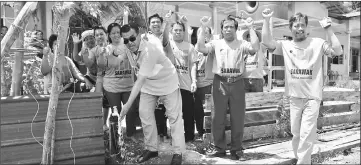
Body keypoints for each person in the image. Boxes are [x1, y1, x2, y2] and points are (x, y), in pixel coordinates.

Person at [261, 9, 343, 164]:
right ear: (290, 28)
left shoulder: (317, 43)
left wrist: (328, 29)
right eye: (296, 25)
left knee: (306, 133)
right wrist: (266, 19)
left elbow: (338, 50)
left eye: (302, 25)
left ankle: (302, 162)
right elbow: (267, 41)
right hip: (294, 97)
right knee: (296, 133)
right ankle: (302, 159)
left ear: (307, 28)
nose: (299, 28)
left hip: (312, 97)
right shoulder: (285, 45)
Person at [119, 23, 185, 165]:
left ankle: (178, 153)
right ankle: (152, 148)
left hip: (168, 82)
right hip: (149, 84)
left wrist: (126, 106)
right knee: (144, 113)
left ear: (139, 35)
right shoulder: (128, 48)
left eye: (132, 38)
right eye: (125, 40)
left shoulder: (150, 50)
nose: (129, 43)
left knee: (174, 118)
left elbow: (139, 81)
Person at [196, 15, 259, 161]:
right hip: (220, 83)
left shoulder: (242, 43)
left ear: (236, 29)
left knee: (238, 118)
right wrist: (204, 27)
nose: (228, 29)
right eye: (225, 27)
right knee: (217, 117)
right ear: (222, 30)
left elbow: (255, 47)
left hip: (237, 83)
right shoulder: (216, 43)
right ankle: (219, 148)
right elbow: (200, 47)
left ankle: (236, 149)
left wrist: (250, 27)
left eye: (231, 26)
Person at [97, 23, 138, 141]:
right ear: (109, 35)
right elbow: (102, 65)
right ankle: (115, 136)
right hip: (112, 86)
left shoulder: (127, 44)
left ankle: (130, 134)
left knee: (130, 111)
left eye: (118, 32)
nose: (116, 35)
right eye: (113, 33)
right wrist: (102, 54)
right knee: (116, 112)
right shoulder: (107, 48)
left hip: (128, 85)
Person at [169, 21, 197, 142]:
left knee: (188, 113)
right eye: (176, 30)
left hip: (185, 86)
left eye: (180, 30)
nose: (178, 32)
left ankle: (190, 136)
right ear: (172, 32)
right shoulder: (167, 45)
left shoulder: (189, 47)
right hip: (170, 87)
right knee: (173, 114)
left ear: (184, 32)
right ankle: (175, 136)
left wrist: (194, 81)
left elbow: (193, 66)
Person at [83, 26, 111, 130]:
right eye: (97, 35)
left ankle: (105, 124)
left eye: (101, 34)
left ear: (106, 35)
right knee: (99, 100)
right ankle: (98, 123)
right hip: (97, 79)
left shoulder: (113, 47)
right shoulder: (93, 50)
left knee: (107, 103)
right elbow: (89, 64)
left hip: (112, 79)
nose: (99, 37)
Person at [192, 26, 214, 140]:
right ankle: (200, 133)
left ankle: (208, 133)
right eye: (201, 33)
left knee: (208, 112)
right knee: (197, 112)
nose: (203, 35)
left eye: (206, 33)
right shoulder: (194, 49)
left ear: (210, 35)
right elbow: (193, 65)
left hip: (208, 85)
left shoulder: (210, 47)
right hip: (196, 86)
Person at [241, 25, 266, 92]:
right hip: (244, 78)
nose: (251, 38)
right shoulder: (243, 47)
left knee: (258, 101)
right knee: (245, 101)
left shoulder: (261, 46)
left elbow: (267, 41)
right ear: (247, 38)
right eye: (249, 36)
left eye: (254, 36)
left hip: (257, 78)